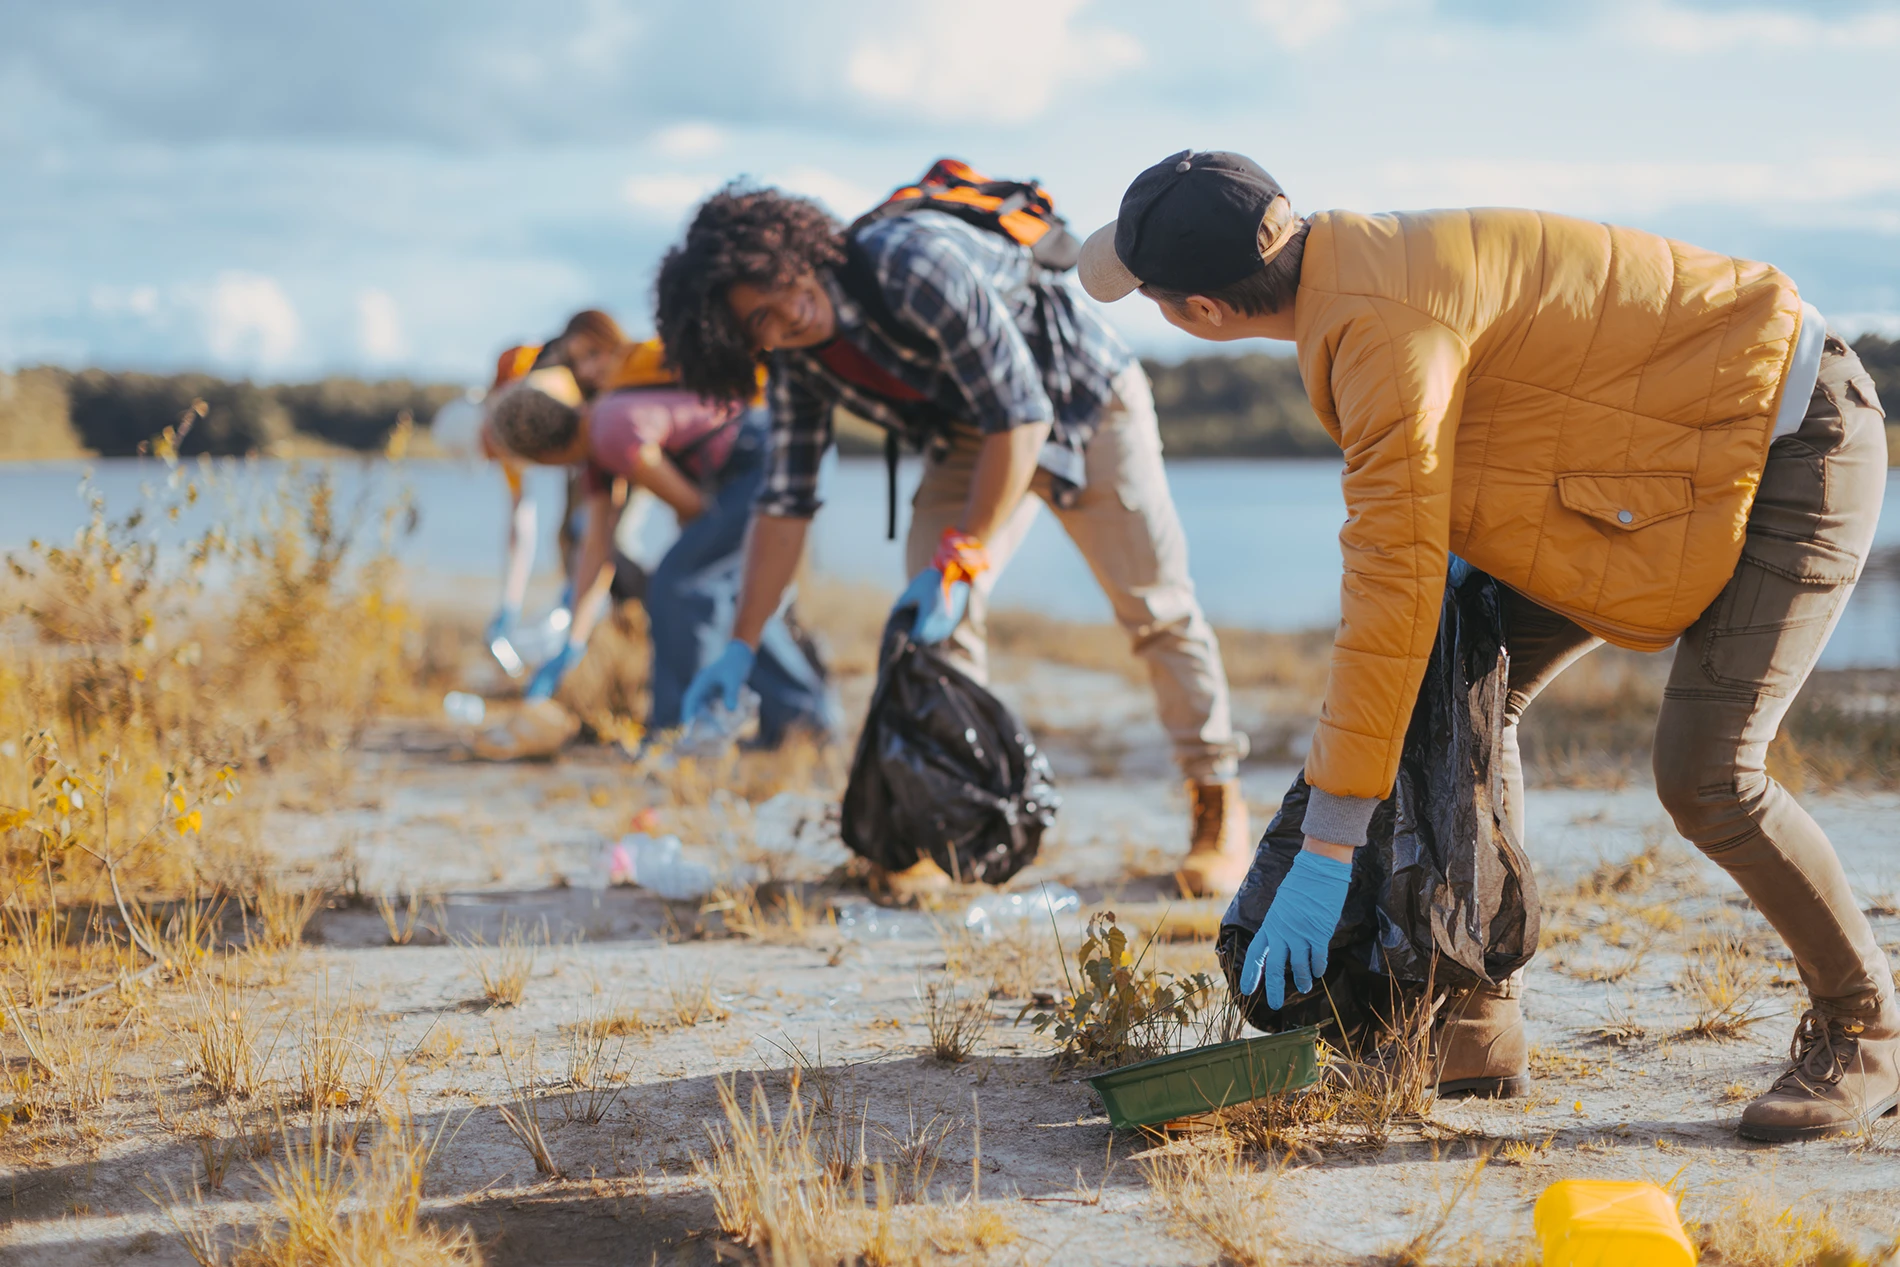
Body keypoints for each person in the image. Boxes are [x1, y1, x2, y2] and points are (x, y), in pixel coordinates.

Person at [1081, 149, 1895, 1139]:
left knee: (1708, 772)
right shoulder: (1352, 261)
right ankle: (1465, 1007)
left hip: (1789, 437)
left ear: (1198, 314)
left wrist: (1327, 847)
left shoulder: (1376, 329)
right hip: (1661, 460)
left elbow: (1387, 586)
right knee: (1456, 680)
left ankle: (1864, 1026)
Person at [653, 182, 1254, 898]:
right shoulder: (797, 362)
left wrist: (963, 551)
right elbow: (784, 504)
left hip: (1085, 404)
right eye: (759, 326)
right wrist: (742, 644)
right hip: (974, 433)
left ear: (788, 249)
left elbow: (1021, 413)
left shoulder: (911, 262)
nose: (784, 318)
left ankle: (1217, 803)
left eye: (774, 290)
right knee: (933, 633)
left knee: (1155, 608)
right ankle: (956, 821)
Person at [486, 361, 838, 747]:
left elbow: (693, 506)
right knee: (734, 593)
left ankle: (680, 730)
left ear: (542, 454)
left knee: (680, 583)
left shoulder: (610, 432)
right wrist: (573, 642)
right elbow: (596, 549)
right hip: (752, 462)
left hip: (760, 459)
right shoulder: (596, 438)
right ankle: (802, 722)